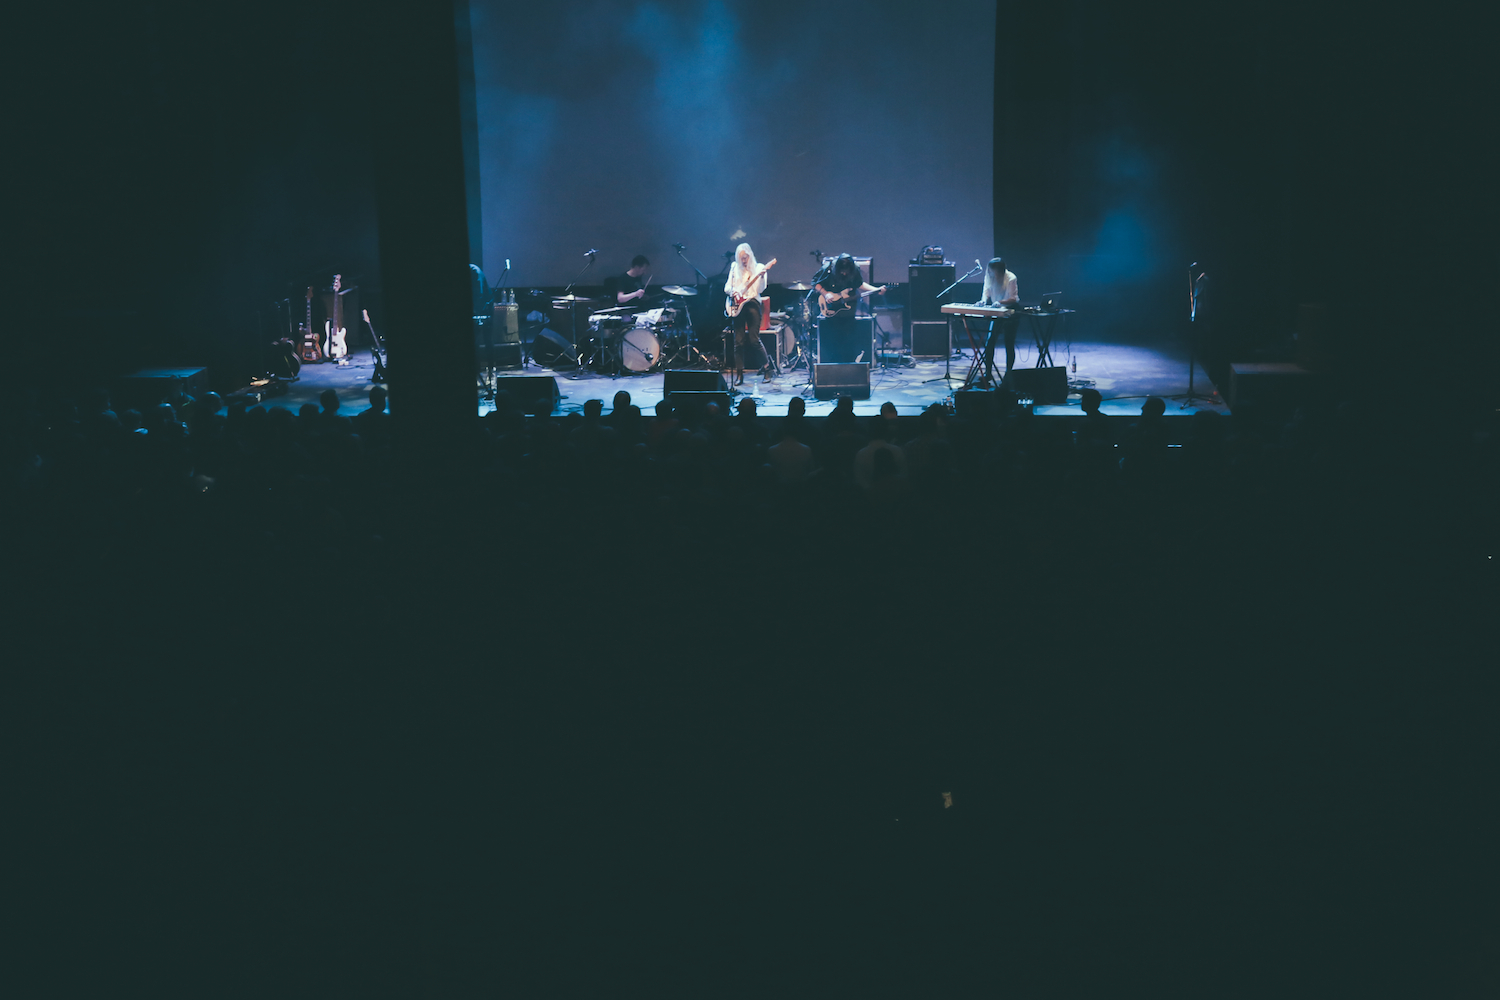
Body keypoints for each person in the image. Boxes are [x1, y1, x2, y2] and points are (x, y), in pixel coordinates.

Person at [815, 254, 884, 363]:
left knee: (849, 337)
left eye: (847, 271)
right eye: (842, 271)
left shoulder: (855, 268)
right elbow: (816, 283)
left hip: (848, 308)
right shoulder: (828, 268)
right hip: (831, 307)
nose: (844, 273)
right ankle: (833, 366)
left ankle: (849, 366)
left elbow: (859, 284)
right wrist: (826, 294)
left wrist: (876, 289)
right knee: (834, 338)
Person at [724, 243, 769, 386]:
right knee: (738, 342)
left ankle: (767, 369)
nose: (743, 261)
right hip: (737, 307)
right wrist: (734, 292)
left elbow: (761, 288)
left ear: (750, 255)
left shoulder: (759, 268)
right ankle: (739, 374)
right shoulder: (734, 268)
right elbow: (726, 287)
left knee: (754, 340)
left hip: (752, 304)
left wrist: (761, 277)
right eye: (740, 258)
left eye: (745, 257)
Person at [978, 257, 1020, 386]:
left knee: (1009, 342)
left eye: (992, 271)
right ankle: (988, 372)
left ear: (999, 271)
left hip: (1010, 310)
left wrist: (1000, 302)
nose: (990, 273)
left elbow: (1013, 298)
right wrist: (983, 301)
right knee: (990, 342)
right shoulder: (989, 276)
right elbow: (986, 290)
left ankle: (1009, 373)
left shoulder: (1011, 277)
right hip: (996, 311)